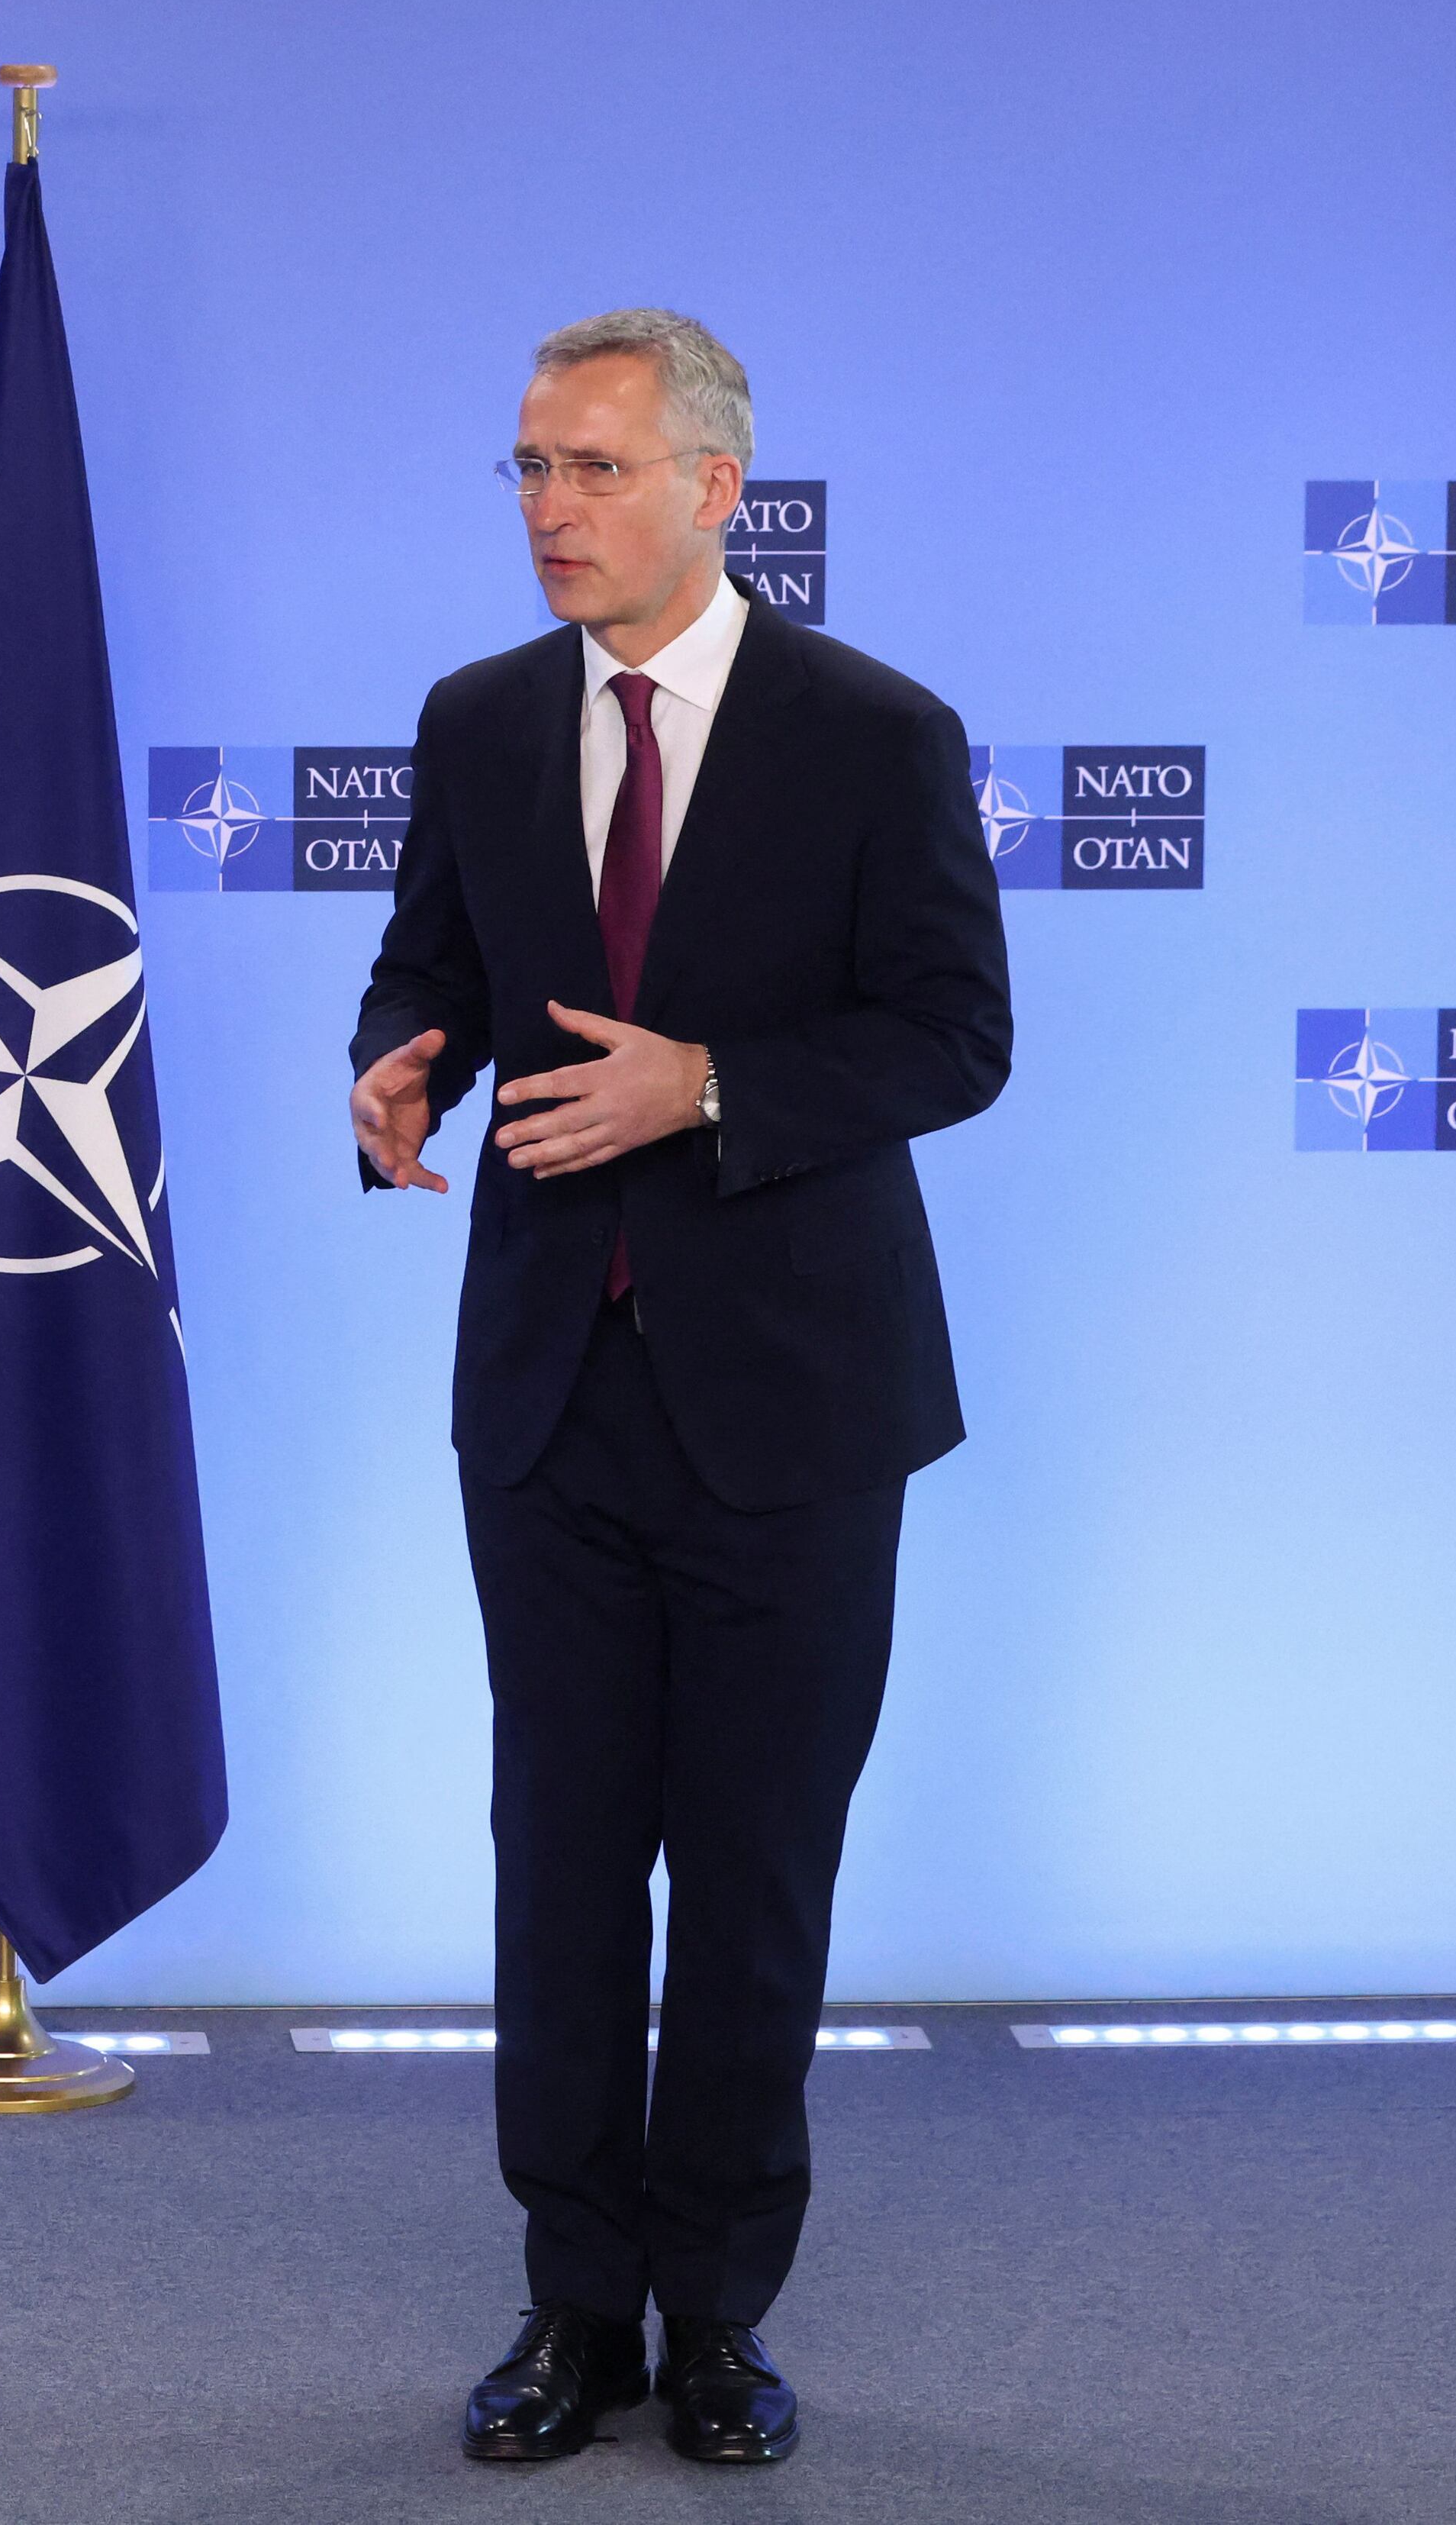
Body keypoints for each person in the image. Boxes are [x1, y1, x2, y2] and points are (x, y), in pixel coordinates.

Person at [346, 311, 1010, 2465]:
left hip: (795, 1417)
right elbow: (432, 956)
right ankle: (577, 2314)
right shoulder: (471, 721)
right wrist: (396, 1059)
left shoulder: (876, 734)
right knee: (556, 1866)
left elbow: (952, 1039)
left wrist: (707, 1085)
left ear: (717, 489)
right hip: (548, 1399)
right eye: (530, 468)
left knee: (749, 1879)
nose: (550, 508)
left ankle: (719, 2317)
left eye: (594, 470)